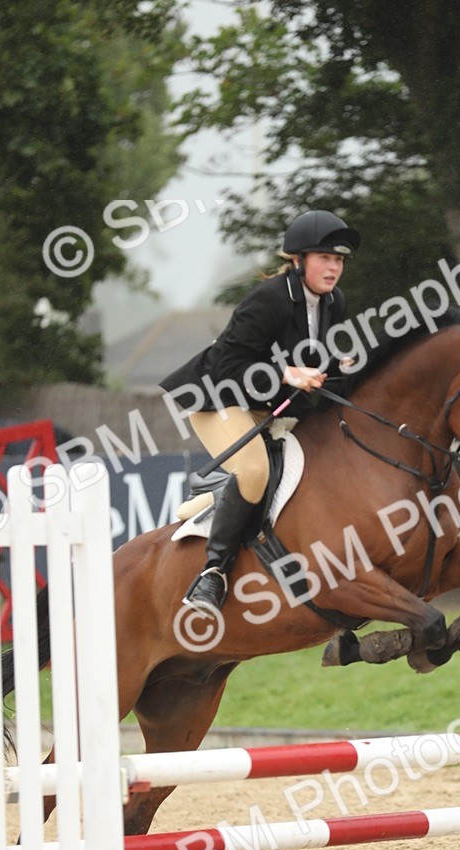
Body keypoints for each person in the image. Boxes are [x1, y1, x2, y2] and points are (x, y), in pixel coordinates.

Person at [160, 209, 360, 615]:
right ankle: (212, 573)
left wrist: (345, 366)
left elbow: (319, 362)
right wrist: (287, 373)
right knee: (253, 471)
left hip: (268, 409)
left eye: (338, 260)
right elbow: (227, 369)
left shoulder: (333, 302)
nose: (333, 267)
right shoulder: (268, 299)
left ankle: (217, 501)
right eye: (324, 258)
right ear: (298, 260)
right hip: (220, 400)